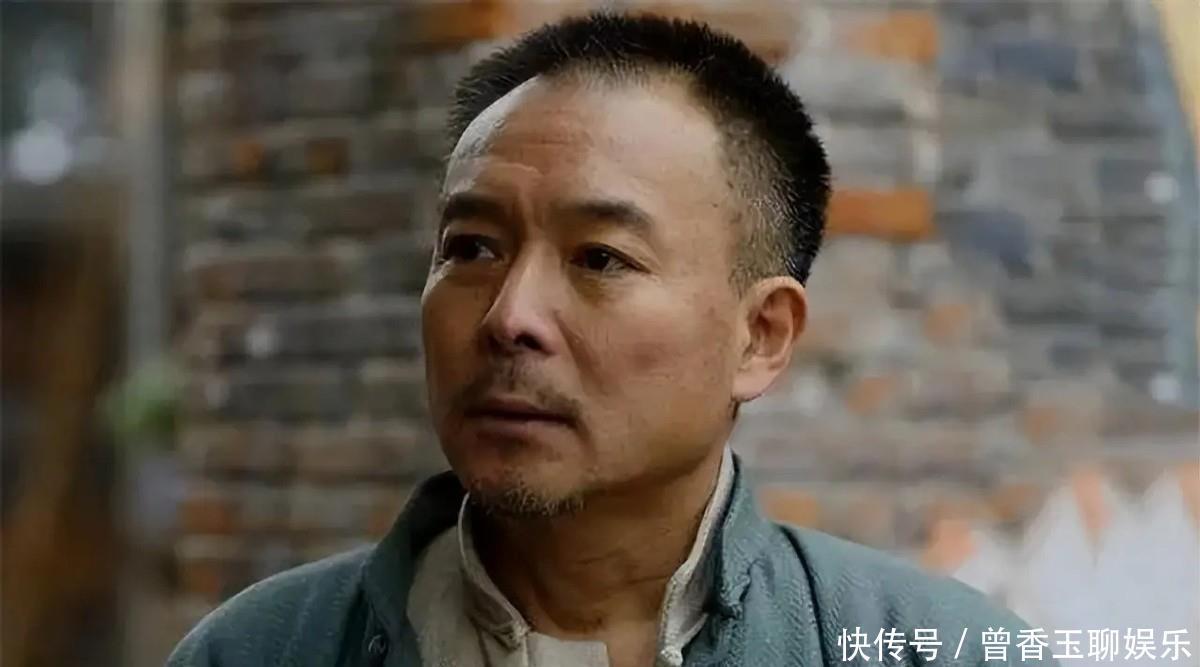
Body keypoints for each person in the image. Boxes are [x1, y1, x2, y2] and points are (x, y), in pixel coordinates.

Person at [169, 13, 1054, 667]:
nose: (509, 316)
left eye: (600, 257)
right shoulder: (258, 650)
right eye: (471, 248)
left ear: (760, 336)